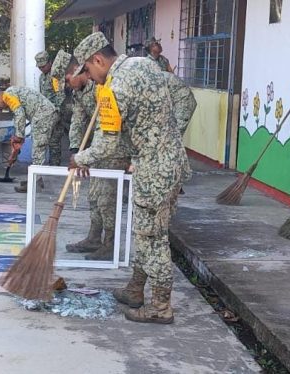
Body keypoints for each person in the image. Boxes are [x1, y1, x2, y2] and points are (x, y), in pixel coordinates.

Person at [69, 32, 190, 324]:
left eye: (87, 69)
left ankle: (161, 308)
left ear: (98, 59)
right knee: (146, 233)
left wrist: (79, 159)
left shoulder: (115, 87)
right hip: (171, 165)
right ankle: (135, 289)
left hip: (152, 172)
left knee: (153, 239)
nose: (89, 76)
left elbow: (108, 143)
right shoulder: (144, 64)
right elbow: (153, 116)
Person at [51, 50, 131, 261]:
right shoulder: (78, 93)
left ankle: (110, 245)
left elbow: (110, 127)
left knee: (106, 198)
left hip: (115, 148)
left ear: (77, 71)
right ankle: (94, 238)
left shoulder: (103, 83)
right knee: (94, 197)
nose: (68, 85)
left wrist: (87, 157)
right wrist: (77, 152)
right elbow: (78, 122)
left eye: (68, 80)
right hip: (98, 147)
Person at [0, 86, 59, 193]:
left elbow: (19, 113)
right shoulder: (12, 92)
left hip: (43, 115)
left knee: (38, 149)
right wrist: (19, 136)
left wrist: (19, 136)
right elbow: (19, 115)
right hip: (45, 114)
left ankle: (35, 183)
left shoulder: (7, 95)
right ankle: (36, 180)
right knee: (38, 149)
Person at [35, 50, 70, 166]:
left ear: (50, 63)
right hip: (47, 113)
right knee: (49, 140)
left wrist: (56, 111)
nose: (41, 69)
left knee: (54, 140)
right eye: (39, 67)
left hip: (57, 113)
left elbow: (60, 95)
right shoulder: (41, 77)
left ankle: (55, 165)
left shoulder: (55, 76)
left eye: (43, 66)